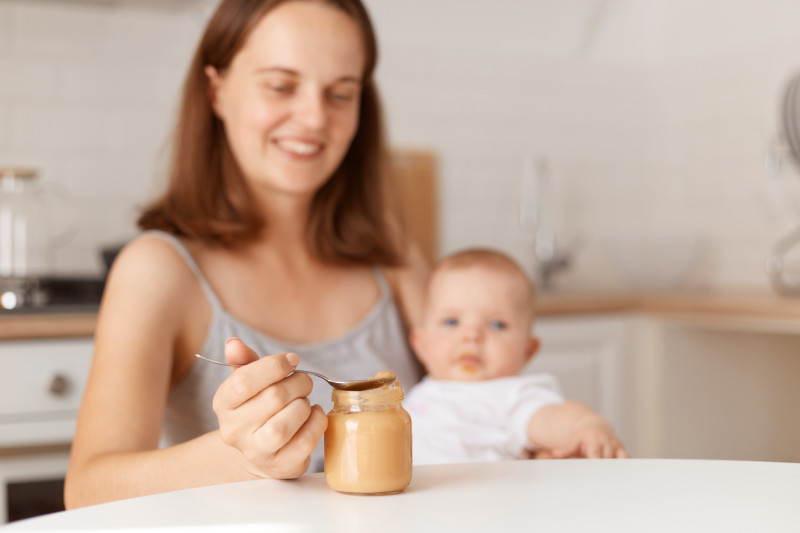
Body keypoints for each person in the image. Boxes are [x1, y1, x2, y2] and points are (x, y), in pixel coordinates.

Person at [64, 0, 428, 508]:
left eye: (341, 93)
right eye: (281, 86)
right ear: (216, 90)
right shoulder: (158, 271)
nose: (314, 117)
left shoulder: (391, 254)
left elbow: (484, 400)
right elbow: (87, 491)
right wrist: (243, 458)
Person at [405, 248, 628, 465]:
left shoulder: (513, 396)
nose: (472, 336)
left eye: (496, 324)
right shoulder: (415, 396)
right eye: (451, 322)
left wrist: (586, 427)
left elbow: (550, 419)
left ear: (528, 351)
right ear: (420, 344)